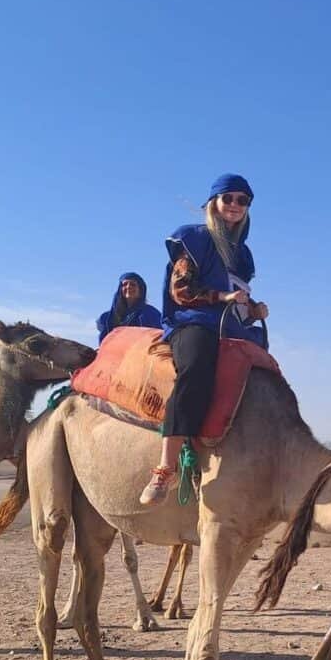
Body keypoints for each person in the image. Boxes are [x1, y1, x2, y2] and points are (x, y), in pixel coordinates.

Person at [139, 173, 269, 506]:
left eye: (243, 200)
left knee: (264, 370)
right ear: (214, 203)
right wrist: (223, 297)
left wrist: (253, 309)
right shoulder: (193, 239)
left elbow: (239, 295)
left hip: (230, 325)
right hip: (192, 322)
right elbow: (181, 291)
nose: (235, 205)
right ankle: (166, 467)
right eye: (229, 198)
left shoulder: (243, 254)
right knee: (196, 368)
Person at [96, 272, 162, 343]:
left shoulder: (151, 313)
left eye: (133, 284)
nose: (128, 287)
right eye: (125, 284)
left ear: (140, 290)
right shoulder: (108, 317)